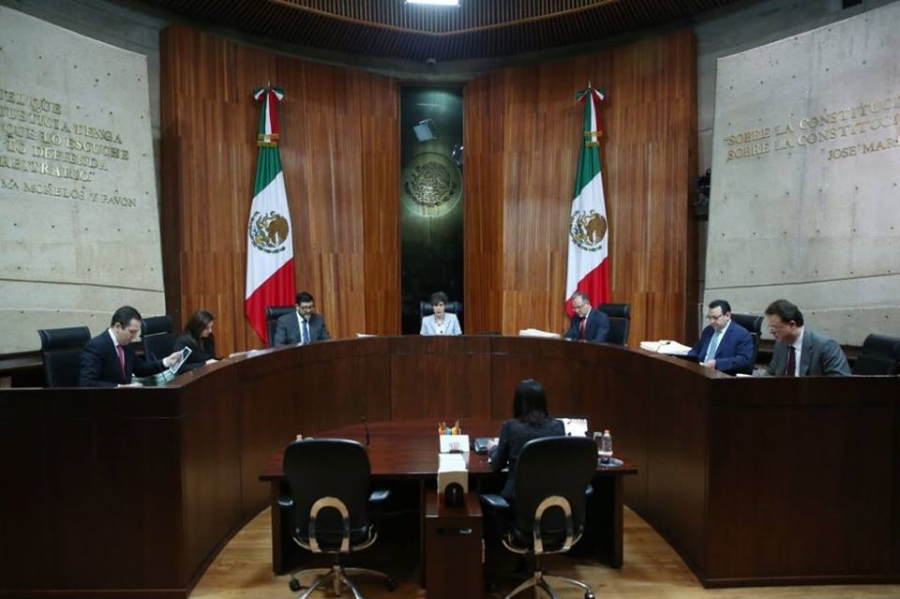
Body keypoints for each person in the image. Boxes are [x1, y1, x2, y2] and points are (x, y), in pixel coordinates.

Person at [488, 379, 565, 499]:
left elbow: (497, 464)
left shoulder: (510, 426)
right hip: (551, 499)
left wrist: (492, 448)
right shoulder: (558, 426)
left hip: (517, 499)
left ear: (518, 403)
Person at [79, 305, 183, 387]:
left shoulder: (126, 345)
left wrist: (166, 361)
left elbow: (141, 369)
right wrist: (120, 387)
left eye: (136, 332)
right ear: (118, 327)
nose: (134, 337)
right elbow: (87, 382)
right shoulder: (96, 346)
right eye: (132, 332)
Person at [764, 299, 850, 376]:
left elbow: (841, 384)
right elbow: (771, 373)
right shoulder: (781, 344)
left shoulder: (826, 347)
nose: (771, 332)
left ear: (792, 325)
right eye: (770, 327)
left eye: (775, 327)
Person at [687, 299, 755, 374]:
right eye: (709, 317)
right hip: (701, 372)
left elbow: (744, 360)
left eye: (715, 318)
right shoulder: (708, 330)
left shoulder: (742, 334)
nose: (711, 321)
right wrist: (689, 359)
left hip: (722, 375)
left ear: (727, 315)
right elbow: (695, 350)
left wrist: (716, 363)